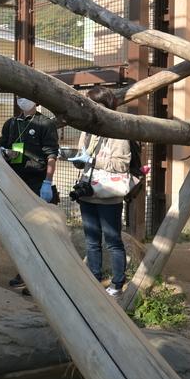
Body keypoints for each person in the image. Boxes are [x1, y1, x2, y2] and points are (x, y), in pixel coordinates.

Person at [67, 86, 130, 297]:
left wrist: (93, 160)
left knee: (112, 241)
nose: (92, 108)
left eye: (96, 104)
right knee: (91, 240)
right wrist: (77, 160)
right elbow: (83, 157)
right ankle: (94, 277)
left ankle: (118, 282)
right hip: (88, 192)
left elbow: (122, 164)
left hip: (108, 195)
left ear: (106, 105)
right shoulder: (87, 130)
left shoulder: (118, 130)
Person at [0, 96, 59, 292]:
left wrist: (47, 182)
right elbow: (2, 145)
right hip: (14, 180)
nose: (23, 101)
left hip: (37, 182)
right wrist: (4, 153)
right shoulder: (12, 123)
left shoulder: (45, 123)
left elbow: (51, 154)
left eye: (27, 97)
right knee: (20, 228)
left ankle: (42, 274)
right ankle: (24, 272)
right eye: (20, 97)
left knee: (37, 228)